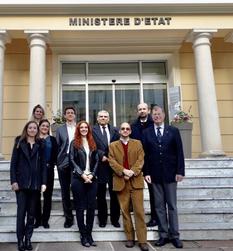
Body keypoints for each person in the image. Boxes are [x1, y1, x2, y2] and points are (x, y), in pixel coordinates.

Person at [143, 106, 185, 249]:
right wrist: (146, 172)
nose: (156, 116)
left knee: (172, 206)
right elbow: (145, 155)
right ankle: (163, 235)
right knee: (159, 207)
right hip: (154, 176)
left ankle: (175, 236)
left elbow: (179, 152)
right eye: (154, 114)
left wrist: (180, 171)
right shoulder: (147, 132)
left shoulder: (173, 131)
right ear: (151, 116)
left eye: (159, 114)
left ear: (164, 115)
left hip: (171, 175)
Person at [108, 122, 149, 251]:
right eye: (123, 128)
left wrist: (132, 171)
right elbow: (112, 161)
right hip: (121, 182)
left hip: (136, 181)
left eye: (127, 129)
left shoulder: (137, 143)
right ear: (119, 131)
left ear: (130, 131)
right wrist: (123, 171)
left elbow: (141, 159)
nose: (125, 130)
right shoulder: (113, 145)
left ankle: (142, 240)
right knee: (125, 212)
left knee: (139, 212)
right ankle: (130, 238)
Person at [10, 121, 47, 251]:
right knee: (21, 214)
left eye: (34, 128)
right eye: (30, 127)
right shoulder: (19, 142)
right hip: (21, 185)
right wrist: (13, 181)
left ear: (37, 130)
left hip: (35, 185)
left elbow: (43, 165)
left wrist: (43, 182)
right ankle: (20, 240)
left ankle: (28, 239)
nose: (32, 130)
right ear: (26, 129)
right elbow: (13, 163)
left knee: (31, 215)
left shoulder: (40, 144)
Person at [69, 121, 99, 247]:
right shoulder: (74, 143)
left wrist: (92, 174)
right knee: (80, 208)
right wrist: (82, 174)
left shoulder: (92, 141)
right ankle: (83, 235)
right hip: (78, 179)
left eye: (85, 127)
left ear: (88, 129)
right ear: (78, 129)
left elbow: (97, 160)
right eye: (81, 127)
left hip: (92, 179)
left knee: (91, 208)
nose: (83, 129)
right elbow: (71, 160)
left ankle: (89, 234)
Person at [130, 102, 157, 227]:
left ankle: (155, 217)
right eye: (140, 109)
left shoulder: (155, 124)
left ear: (148, 110)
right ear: (137, 111)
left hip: (151, 163)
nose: (142, 111)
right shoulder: (132, 126)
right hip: (136, 163)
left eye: (144, 109)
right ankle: (132, 213)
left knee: (153, 191)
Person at [92, 110, 120, 228]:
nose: (103, 118)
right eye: (101, 116)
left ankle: (115, 219)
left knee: (115, 195)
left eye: (105, 116)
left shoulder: (115, 130)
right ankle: (102, 219)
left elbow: (118, 145)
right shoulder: (92, 130)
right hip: (100, 166)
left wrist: (111, 157)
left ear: (109, 119)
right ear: (97, 119)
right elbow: (91, 145)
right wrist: (101, 154)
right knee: (101, 195)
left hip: (113, 167)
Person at [34, 119, 58, 229]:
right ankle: (37, 220)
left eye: (47, 126)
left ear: (49, 128)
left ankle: (45, 220)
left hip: (48, 170)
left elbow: (56, 155)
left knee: (48, 196)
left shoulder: (52, 140)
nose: (45, 127)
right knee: (36, 196)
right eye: (43, 125)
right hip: (36, 171)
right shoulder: (34, 139)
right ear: (39, 126)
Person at [56, 106, 76, 228]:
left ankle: (78, 213)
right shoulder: (59, 129)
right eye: (67, 113)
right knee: (65, 191)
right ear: (64, 115)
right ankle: (68, 218)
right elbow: (58, 145)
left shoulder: (79, 127)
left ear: (74, 115)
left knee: (76, 189)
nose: (70, 114)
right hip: (63, 162)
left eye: (72, 113)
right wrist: (58, 161)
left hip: (77, 162)